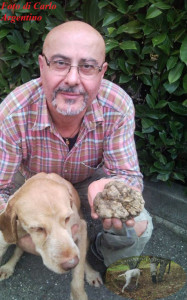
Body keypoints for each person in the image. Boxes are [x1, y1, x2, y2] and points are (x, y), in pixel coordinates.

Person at [0, 21, 153, 277]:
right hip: (31, 180)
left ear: (102, 72)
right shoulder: (12, 112)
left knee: (136, 225)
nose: (72, 79)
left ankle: (99, 253)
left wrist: (109, 190)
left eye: (87, 66)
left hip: (86, 181)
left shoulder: (117, 105)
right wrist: (16, 234)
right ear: (41, 66)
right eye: (60, 63)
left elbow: (129, 176)